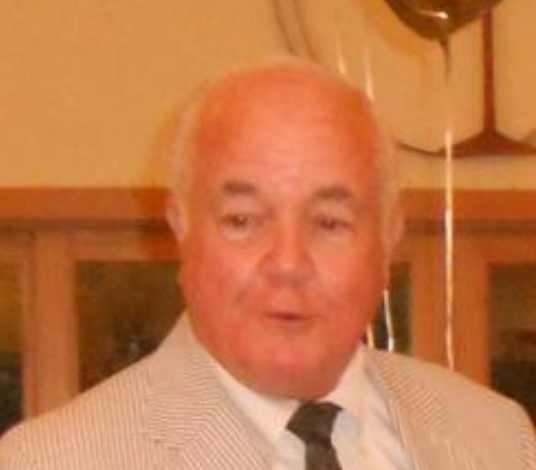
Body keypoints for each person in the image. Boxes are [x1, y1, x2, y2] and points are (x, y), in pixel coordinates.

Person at [0, 58, 534, 470]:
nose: (288, 263)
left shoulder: (497, 438)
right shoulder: (53, 461)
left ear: (388, 238)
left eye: (329, 223)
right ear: (182, 230)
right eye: (243, 221)